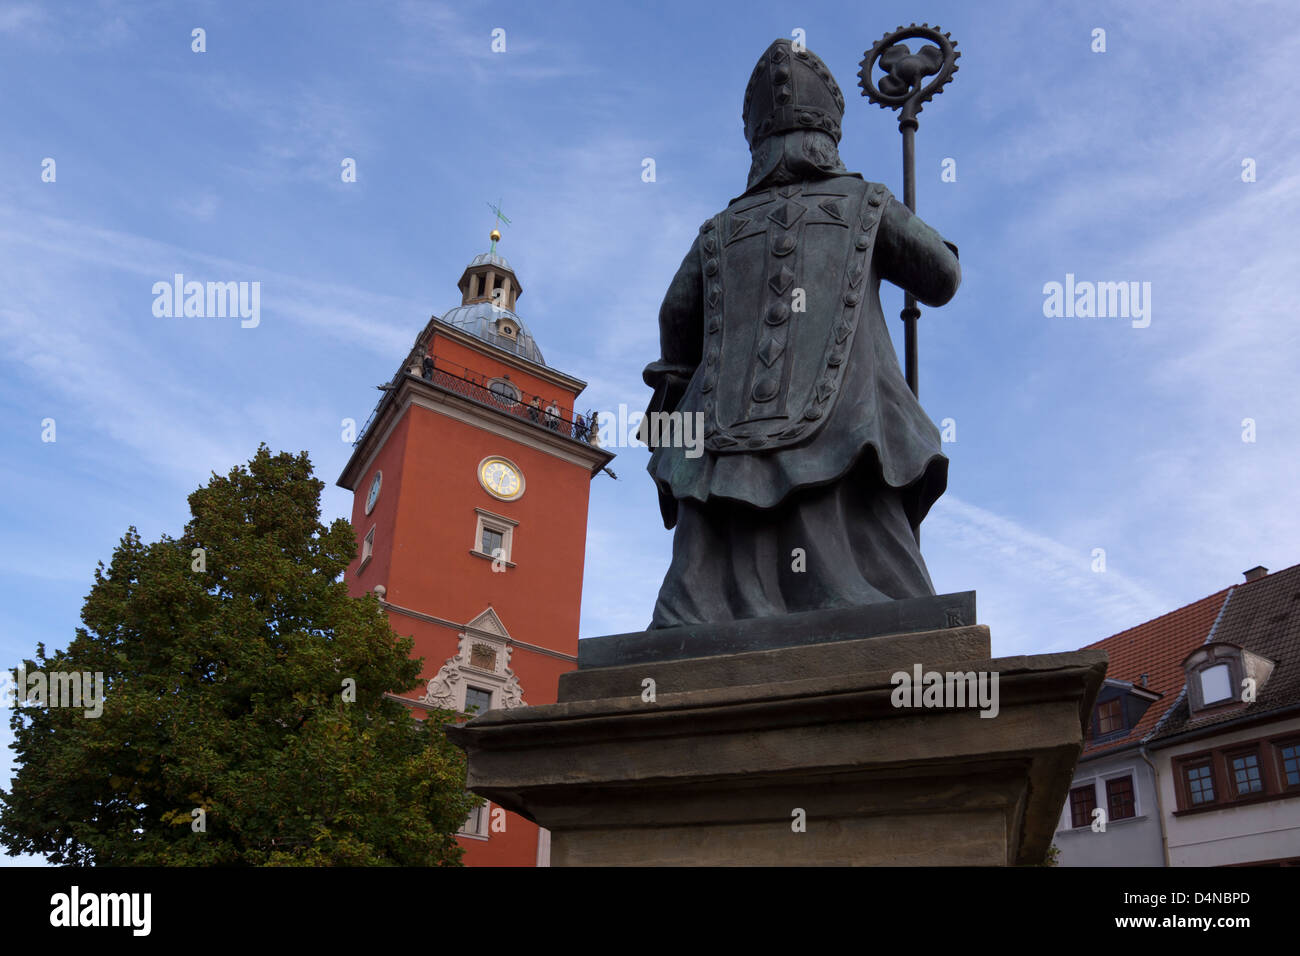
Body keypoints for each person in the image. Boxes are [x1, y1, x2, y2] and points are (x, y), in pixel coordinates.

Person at [640, 38, 961, 629]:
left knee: (705, 528)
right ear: (826, 135)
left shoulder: (719, 229)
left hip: (717, 438)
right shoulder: (864, 201)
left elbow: (674, 317)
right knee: (851, 483)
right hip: (844, 424)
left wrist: (676, 405)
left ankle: (702, 613)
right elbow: (941, 277)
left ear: (757, 141)